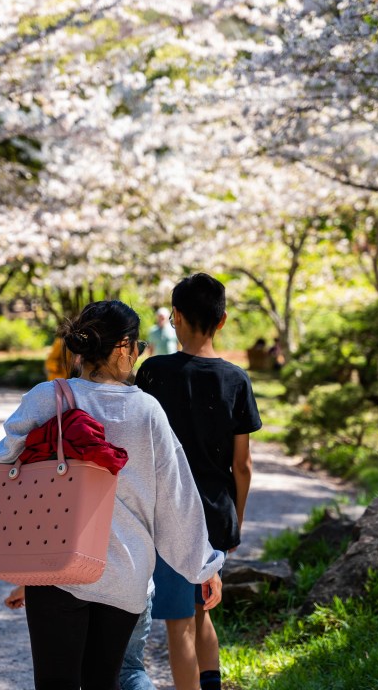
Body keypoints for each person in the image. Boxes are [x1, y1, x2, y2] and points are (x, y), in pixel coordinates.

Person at [0, 300, 225, 690]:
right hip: (124, 574)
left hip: (54, 564)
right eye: (139, 347)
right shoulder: (147, 411)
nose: (137, 355)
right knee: (104, 681)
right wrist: (204, 566)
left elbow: (2, 470)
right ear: (123, 348)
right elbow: (176, 498)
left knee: (55, 682)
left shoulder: (48, 397)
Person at [133, 274, 261, 690]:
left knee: (179, 624)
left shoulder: (153, 372)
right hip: (216, 513)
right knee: (202, 609)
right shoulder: (237, 380)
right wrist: (235, 521)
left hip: (170, 515)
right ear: (222, 321)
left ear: (176, 318)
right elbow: (242, 465)